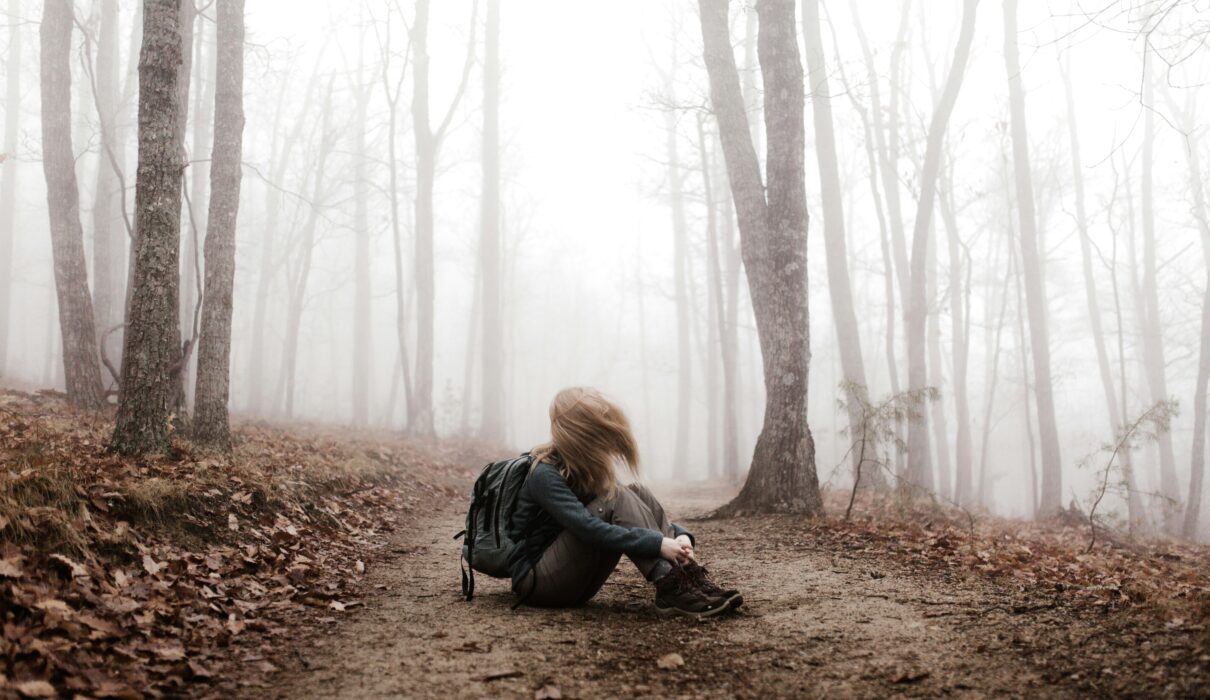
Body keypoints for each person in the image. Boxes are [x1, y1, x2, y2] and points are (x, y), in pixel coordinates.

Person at [507, 387, 742, 618]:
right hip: (537, 583)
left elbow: (632, 514)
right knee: (616, 495)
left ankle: (689, 578)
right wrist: (658, 544)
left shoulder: (583, 467)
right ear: (577, 432)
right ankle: (670, 587)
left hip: (572, 582)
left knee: (636, 490)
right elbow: (586, 528)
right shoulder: (544, 473)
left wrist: (681, 536)